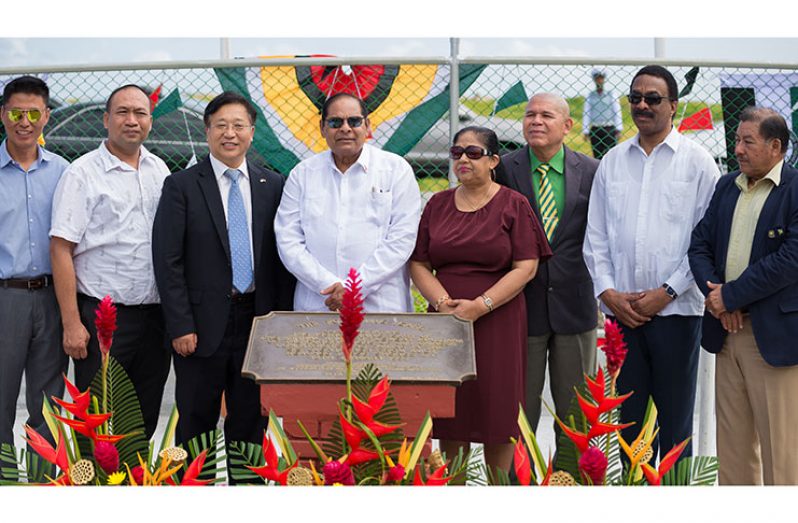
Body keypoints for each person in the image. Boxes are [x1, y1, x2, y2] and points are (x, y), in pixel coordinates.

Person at [583, 65, 720, 461]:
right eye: (636, 98)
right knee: (629, 422)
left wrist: (668, 291)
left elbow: (705, 237)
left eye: (653, 99)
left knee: (675, 425)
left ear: (673, 106)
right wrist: (609, 293)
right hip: (622, 315)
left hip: (677, 312)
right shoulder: (611, 160)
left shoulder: (697, 162)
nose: (642, 105)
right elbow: (596, 235)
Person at [152, 92, 294, 458]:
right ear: (207, 130)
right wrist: (181, 325)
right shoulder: (181, 185)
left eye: (238, 125)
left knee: (249, 424)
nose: (230, 133)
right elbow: (168, 260)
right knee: (195, 424)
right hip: (199, 328)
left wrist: (278, 325)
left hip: (256, 324)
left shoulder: (273, 185)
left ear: (252, 131)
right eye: (221, 125)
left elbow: (281, 259)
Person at [410, 126, 551, 475]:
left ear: (493, 161)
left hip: (497, 320)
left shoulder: (513, 204)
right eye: (457, 153)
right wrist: (444, 305)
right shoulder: (438, 204)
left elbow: (526, 266)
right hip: (447, 322)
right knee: (451, 413)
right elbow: (419, 262)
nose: (463, 159)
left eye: (473, 153)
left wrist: (481, 305)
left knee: (498, 416)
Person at [50, 84, 170, 440]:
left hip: (154, 319)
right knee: (98, 426)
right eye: (122, 112)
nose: (132, 121)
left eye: (140, 113)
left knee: (143, 420)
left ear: (150, 120)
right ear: (106, 120)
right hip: (103, 320)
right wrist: (72, 323)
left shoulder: (159, 169)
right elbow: (60, 248)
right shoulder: (82, 173)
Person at [689, 107, 798, 485]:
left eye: (747, 141)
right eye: (735, 140)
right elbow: (699, 246)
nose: (737, 149)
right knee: (732, 452)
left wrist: (732, 296)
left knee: (782, 454)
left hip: (773, 338)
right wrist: (718, 299)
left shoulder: (795, 190)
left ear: (775, 146)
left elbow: (791, 260)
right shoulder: (726, 186)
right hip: (726, 333)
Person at [496, 93, 599, 445]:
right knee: (518, 413)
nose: (536, 121)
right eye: (529, 114)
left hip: (575, 304)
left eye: (546, 115)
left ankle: (571, 481)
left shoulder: (591, 171)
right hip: (520, 306)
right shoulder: (504, 169)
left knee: (576, 416)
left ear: (567, 126)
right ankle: (513, 487)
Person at [275, 92, 421, 313]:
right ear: (323, 128)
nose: (345, 128)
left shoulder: (395, 169)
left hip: (380, 305)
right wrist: (326, 284)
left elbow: (402, 238)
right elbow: (288, 239)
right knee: (317, 350)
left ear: (367, 126)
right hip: (319, 303)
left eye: (354, 121)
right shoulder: (302, 173)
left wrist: (355, 288)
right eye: (335, 122)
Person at [0, 76, 69, 449]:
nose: (23, 121)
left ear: (46, 116)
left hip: (51, 297)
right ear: (2, 114)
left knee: (49, 405)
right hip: (4, 298)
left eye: (32, 113)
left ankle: (45, 481)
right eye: (15, 112)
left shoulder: (63, 172)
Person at [582, 69, 623, 160]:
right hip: (596, 128)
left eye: (601, 78)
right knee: (597, 154)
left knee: (610, 154)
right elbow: (587, 113)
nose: (599, 80)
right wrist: (585, 130)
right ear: (594, 80)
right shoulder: (590, 96)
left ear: (604, 79)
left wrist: (618, 128)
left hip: (609, 127)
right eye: (597, 78)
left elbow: (617, 111)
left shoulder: (611, 94)